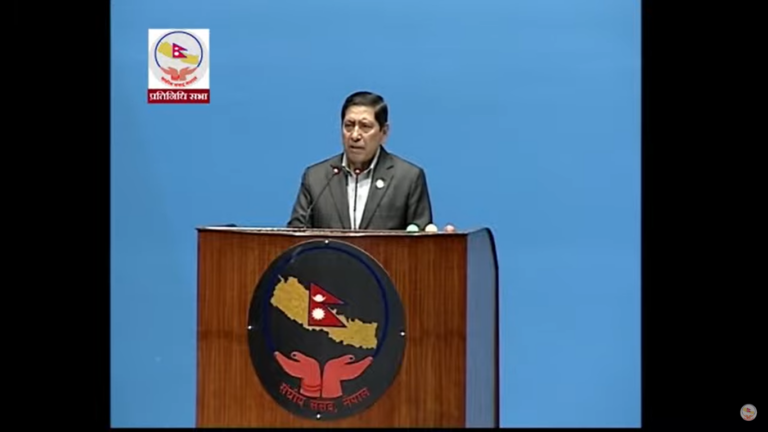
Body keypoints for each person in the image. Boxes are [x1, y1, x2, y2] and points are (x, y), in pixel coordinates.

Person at [287, 91, 433, 230]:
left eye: (365, 127)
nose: (355, 135)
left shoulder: (408, 178)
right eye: (349, 126)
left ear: (384, 132)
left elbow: (421, 241)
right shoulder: (316, 178)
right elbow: (296, 236)